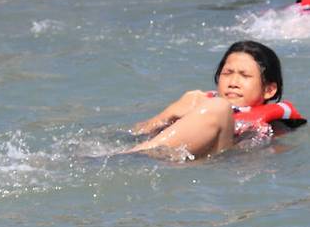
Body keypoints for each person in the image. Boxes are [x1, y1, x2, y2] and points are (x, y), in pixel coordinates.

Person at [129, 40, 305, 159]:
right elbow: (136, 133)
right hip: (164, 158)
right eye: (227, 73)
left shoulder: (277, 127)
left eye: (245, 76)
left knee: (219, 107)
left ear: (269, 90)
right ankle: (132, 157)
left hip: (214, 164)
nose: (233, 82)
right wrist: (171, 111)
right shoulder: (197, 104)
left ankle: (131, 158)